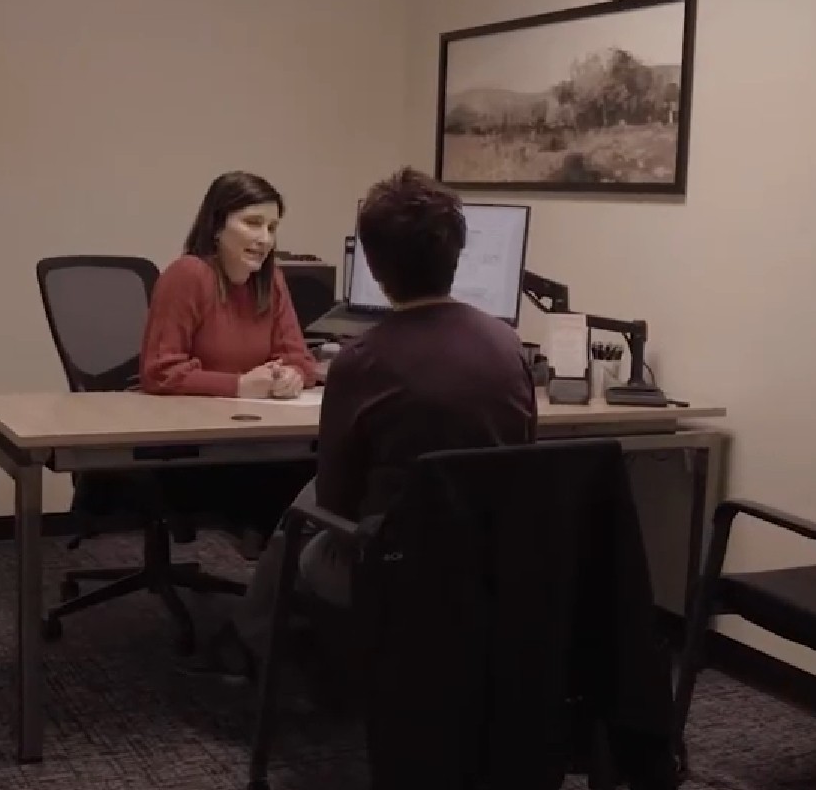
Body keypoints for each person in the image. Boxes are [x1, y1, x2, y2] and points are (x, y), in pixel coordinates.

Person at [217, 167, 538, 678]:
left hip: (390, 567)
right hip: (491, 562)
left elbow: (337, 501)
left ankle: (266, 651)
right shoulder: (509, 348)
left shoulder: (362, 361)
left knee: (305, 511)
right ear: (458, 252)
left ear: (369, 261)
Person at [140, 171, 320, 554]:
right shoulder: (189, 274)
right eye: (252, 223)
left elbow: (300, 357)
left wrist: (292, 375)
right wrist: (239, 385)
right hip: (192, 448)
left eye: (272, 227)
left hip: (253, 437)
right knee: (297, 478)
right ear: (217, 225)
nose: (264, 239)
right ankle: (276, 592)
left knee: (320, 466)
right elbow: (159, 371)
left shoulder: (271, 281)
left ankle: (287, 588)